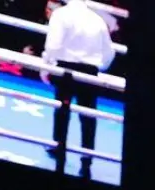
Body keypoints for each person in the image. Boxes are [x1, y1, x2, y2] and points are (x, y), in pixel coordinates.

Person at [39, 0, 116, 178]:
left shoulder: (61, 15)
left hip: (66, 69)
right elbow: (108, 54)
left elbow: (52, 46)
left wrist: (48, 65)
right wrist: (97, 66)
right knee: (88, 116)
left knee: (62, 110)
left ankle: (59, 147)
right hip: (90, 72)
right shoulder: (97, 20)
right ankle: (87, 158)